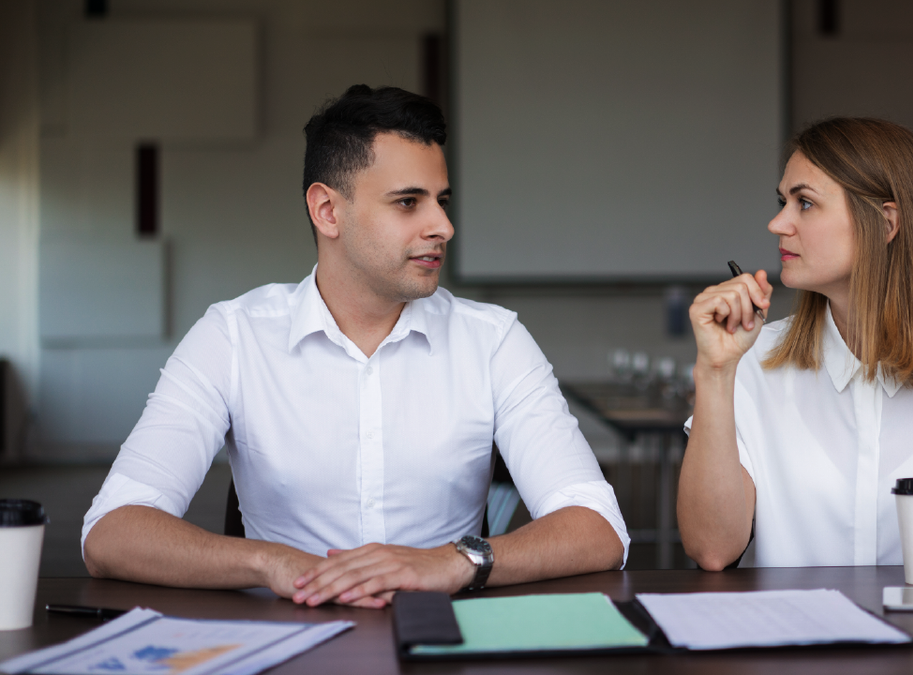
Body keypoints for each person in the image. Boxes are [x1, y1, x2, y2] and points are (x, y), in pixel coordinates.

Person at [82, 85, 628, 607]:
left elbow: (598, 527)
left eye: (441, 200)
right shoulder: (233, 336)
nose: (443, 225)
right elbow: (112, 531)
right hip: (284, 638)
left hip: (442, 641)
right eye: (408, 202)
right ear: (327, 211)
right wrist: (273, 564)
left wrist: (454, 561)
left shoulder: (494, 340)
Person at [677, 117, 913, 571]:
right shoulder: (751, 362)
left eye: (805, 203)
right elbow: (712, 550)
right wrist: (715, 372)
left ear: (885, 222)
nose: (777, 223)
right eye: (783, 202)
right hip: (791, 639)